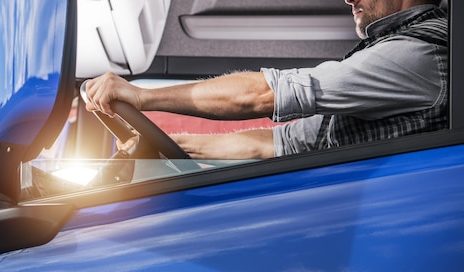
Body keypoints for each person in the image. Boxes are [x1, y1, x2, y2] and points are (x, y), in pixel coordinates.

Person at [84, 0, 448, 159]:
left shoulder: (418, 55)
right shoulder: (392, 52)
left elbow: (262, 95)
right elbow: (281, 143)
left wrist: (140, 96)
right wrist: (173, 147)